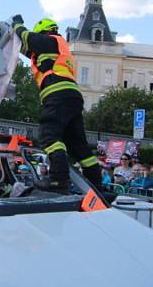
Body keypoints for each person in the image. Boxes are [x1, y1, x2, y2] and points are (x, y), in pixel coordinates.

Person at [10, 15, 101, 192]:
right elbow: (26, 48)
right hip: (71, 96)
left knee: (49, 136)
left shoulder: (51, 40)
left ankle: (58, 180)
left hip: (57, 94)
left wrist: (17, 25)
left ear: (43, 31)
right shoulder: (55, 48)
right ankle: (97, 187)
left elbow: (28, 38)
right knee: (79, 146)